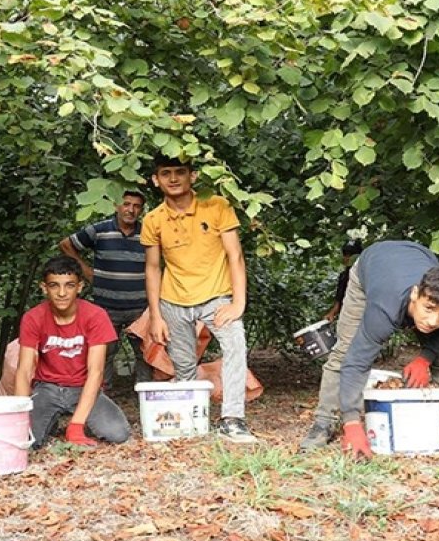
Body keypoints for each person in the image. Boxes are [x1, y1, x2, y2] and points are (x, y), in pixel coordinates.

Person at [298, 240, 439, 456]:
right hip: (371, 267)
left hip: (416, 256)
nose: (433, 321)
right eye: (429, 309)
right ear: (416, 294)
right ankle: (324, 423)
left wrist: (425, 358)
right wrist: (351, 422)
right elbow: (357, 362)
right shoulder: (384, 310)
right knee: (344, 353)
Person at [141, 155, 257, 444]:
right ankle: (193, 418)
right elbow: (153, 267)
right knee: (183, 366)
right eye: (165, 173)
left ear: (192, 176)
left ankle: (232, 419)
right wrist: (155, 315)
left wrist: (238, 302)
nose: (173, 178)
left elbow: (235, 255)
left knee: (235, 347)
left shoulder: (216, 205)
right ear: (156, 180)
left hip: (217, 297)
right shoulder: (153, 219)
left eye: (180, 172)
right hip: (173, 301)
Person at [14, 255, 131, 447]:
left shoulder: (96, 316)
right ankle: (48, 420)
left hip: (82, 387)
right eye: (54, 286)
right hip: (47, 388)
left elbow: (96, 371)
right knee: (25, 439)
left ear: (80, 287)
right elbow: (24, 370)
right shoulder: (33, 317)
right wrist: (19, 415)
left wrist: (76, 426)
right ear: (44, 287)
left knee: (119, 434)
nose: (62, 293)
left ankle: (77, 419)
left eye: (69, 285)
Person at [57, 191, 151, 388]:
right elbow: (66, 245)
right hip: (106, 307)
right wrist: (87, 272)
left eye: (136, 206)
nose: (130, 210)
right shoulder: (99, 230)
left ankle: (146, 395)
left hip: (140, 307)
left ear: (141, 210)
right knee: (103, 353)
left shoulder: (147, 233)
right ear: (117, 206)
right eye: (126, 204)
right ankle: (100, 396)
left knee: (145, 353)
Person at [322, 239, 364, 323]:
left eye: (351, 255)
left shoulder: (366, 275)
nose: (348, 258)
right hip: (349, 317)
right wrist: (332, 313)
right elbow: (339, 301)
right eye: (345, 254)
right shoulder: (343, 276)